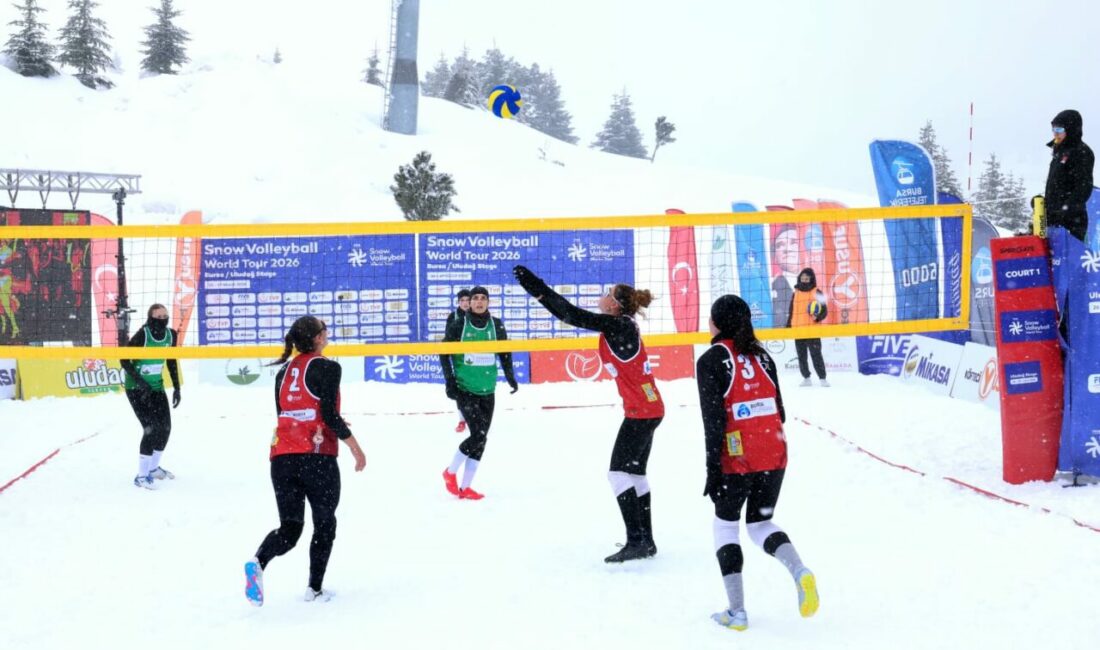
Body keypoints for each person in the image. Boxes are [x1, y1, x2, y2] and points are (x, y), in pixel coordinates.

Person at [513, 265, 664, 563]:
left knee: (618, 473)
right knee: (634, 473)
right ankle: (645, 541)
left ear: (615, 304)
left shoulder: (619, 325)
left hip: (642, 411)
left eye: (607, 293)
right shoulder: (620, 326)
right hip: (648, 408)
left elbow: (570, 314)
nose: (602, 295)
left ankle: (637, 541)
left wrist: (537, 288)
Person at [697, 294, 818, 632]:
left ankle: (737, 613)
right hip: (774, 452)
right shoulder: (763, 356)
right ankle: (800, 572)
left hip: (738, 456)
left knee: (725, 526)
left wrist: (712, 468)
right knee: (761, 524)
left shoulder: (711, 359)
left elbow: (713, 423)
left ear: (717, 324)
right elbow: (779, 410)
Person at [244, 316, 366, 607]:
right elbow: (329, 415)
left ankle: (258, 562)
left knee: (290, 528)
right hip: (316, 457)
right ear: (317, 338)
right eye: (325, 330)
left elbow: (287, 413)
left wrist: (319, 423)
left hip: (282, 457)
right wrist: (355, 447)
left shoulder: (283, 372)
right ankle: (314, 589)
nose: (328, 334)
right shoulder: (328, 366)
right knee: (324, 524)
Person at [439, 286, 518, 500]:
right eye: (476, 298)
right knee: (477, 436)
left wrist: (510, 376)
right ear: (470, 302)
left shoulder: (497, 325)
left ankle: (466, 487)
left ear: (488, 302)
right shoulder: (459, 325)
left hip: (488, 389)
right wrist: (450, 381)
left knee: (481, 440)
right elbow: (443, 353)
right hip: (466, 389)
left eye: (484, 298)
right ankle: (450, 472)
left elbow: (504, 352)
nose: (480, 301)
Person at [120, 304, 182, 489]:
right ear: (150, 317)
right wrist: (140, 382)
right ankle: (141, 475)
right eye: (159, 315)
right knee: (151, 428)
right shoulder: (143, 334)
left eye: (165, 315)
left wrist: (177, 387)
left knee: (165, 428)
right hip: (136, 388)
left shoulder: (171, 335)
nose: (163, 318)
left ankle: (153, 468)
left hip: (156, 387)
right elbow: (124, 359)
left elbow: (171, 361)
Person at [1044, 109, 1095, 243]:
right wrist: (1043, 203)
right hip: (1054, 220)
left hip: (1072, 222)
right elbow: (1056, 185)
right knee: (1052, 262)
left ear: (1071, 130)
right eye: (1054, 129)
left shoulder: (1081, 152)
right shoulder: (1060, 152)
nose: (1055, 133)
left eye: (1059, 129)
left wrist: (1065, 210)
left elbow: (1083, 187)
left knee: (1069, 262)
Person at [786, 267, 829, 387]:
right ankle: (806, 378)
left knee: (816, 355)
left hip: (812, 330)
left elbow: (824, 310)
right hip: (798, 330)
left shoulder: (817, 292)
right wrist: (788, 326)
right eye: (802, 277)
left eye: (807, 277)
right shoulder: (795, 293)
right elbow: (791, 311)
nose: (804, 279)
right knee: (801, 356)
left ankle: (822, 378)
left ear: (811, 278)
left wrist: (818, 317)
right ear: (799, 278)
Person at [446, 288, 472, 433]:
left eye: (467, 300)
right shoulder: (453, 316)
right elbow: (447, 338)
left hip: (475, 357)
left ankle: (475, 417)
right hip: (459, 358)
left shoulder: (477, 315)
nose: (465, 303)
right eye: (462, 300)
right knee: (460, 390)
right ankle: (462, 420)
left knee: (475, 388)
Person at [770, 225, 800, 325]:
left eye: (794, 242)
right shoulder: (769, 289)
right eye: (780, 245)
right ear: (775, 257)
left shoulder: (820, 284)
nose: (787, 249)